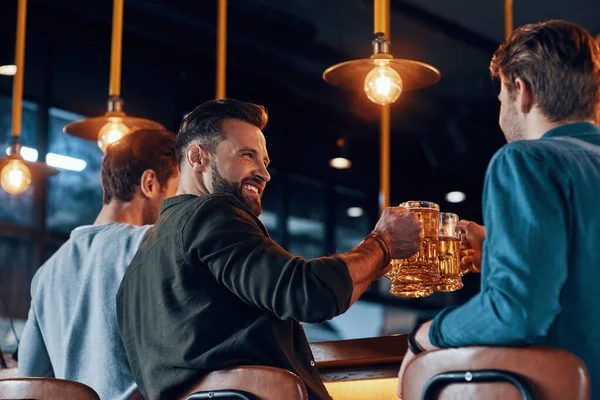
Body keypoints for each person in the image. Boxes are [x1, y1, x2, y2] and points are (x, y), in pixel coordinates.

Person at [116, 98, 423, 400]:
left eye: (264, 161)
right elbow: (307, 294)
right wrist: (381, 244)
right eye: (247, 155)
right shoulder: (212, 211)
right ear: (197, 158)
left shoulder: (137, 268)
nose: (264, 173)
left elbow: (320, 299)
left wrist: (372, 264)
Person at [398, 19, 600, 396]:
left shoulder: (525, 160)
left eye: (501, 97)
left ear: (521, 92)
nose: (501, 109)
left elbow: (517, 313)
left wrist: (426, 334)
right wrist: (496, 247)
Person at [18, 128, 180, 400]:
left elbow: (30, 381)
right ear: (150, 183)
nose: (178, 207)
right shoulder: (151, 245)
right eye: (177, 192)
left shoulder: (47, 272)